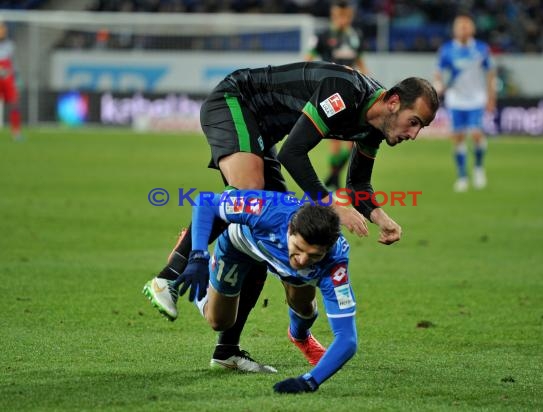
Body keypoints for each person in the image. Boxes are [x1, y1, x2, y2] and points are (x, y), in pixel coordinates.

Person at [143, 61, 438, 372]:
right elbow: (293, 152)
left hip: (261, 133)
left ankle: (227, 350)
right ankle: (168, 278)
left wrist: (380, 217)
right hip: (235, 101)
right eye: (414, 122)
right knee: (249, 192)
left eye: (421, 127)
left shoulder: (373, 125)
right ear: (393, 102)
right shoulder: (345, 93)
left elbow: (358, 184)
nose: (414, 134)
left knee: (261, 241)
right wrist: (332, 204)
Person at [178, 188, 357, 393]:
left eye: (314, 255)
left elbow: (347, 338)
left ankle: (300, 337)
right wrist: (197, 255)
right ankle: (184, 268)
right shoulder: (267, 208)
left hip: (284, 265)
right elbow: (206, 201)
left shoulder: (336, 266)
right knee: (219, 321)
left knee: (306, 309)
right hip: (239, 246)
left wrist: (309, 381)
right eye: (299, 248)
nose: (303, 260)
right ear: (290, 228)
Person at [306, 0, 368, 191]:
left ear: (350, 16)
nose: (343, 19)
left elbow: (359, 62)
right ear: (334, 16)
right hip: (331, 93)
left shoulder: (355, 36)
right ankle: (336, 182)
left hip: (353, 93)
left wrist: (369, 83)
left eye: (346, 16)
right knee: (335, 141)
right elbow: (308, 60)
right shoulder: (323, 36)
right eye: (339, 15)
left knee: (353, 141)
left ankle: (333, 178)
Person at [434, 13, 496, 192]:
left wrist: (491, 97)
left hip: (477, 98)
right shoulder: (446, 50)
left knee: (476, 134)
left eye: (466, 25)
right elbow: (439, 72)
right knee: (458, 137)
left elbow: (490, 73)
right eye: (460, 25)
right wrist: (439, 85)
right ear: (454, 29)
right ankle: (462, 176)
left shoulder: (482, 49)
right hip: (456, 99)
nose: (463, 28)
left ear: (473, 28)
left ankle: (478, 168)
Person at [0, 21, 23, 142]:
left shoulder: (10, 45)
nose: (2, 31)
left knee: (15, 104)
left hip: (8, 80)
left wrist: (18, 79)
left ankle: (16, 132)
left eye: (3, 29)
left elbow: (14, 64)